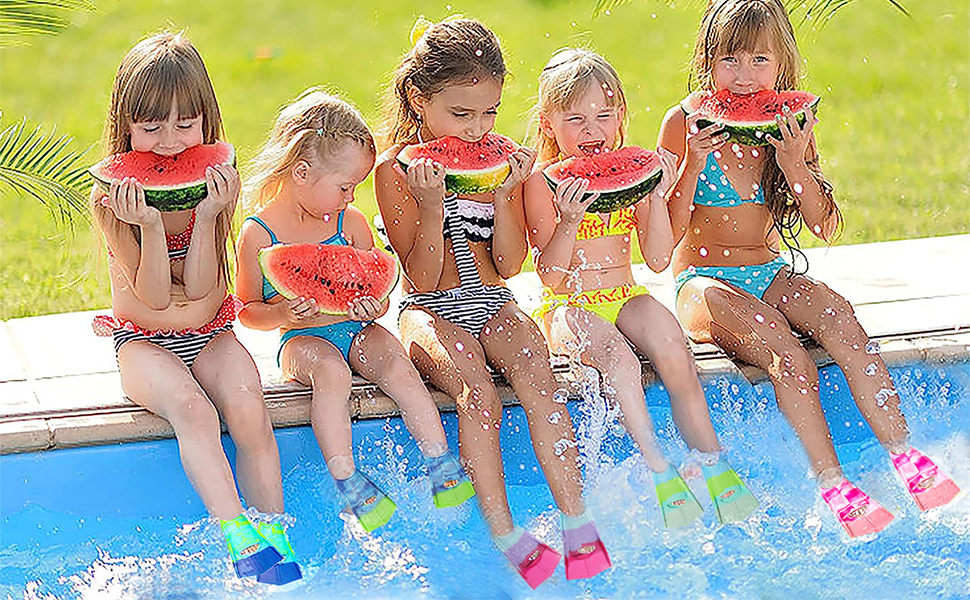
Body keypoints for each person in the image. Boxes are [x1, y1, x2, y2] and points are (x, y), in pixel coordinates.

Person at [658, 0, 960, 538]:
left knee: (841, 318)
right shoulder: (684, 123)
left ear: (783, 64)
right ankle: (833, 482)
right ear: (707, 61)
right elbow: (664, 234)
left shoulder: (790, 123)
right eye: (730, 60)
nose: (744, 76)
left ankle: (906, 454)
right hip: (702, 284)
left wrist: (796, 165)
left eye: (759, 60)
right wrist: (692, 164)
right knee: (784, 349)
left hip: (768, 272)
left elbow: (823, 225)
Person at [373, 17, 611, 588]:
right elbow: (423, 275)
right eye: (462, 114)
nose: (478, 128)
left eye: (489, 114)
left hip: (493, 298)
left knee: (539, 377)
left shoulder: (499, 162)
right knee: (477, 393)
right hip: (428, 309)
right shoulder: (394, 171)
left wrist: (506, 194)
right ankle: (507, 534)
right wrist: (432, 206)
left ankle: (578, 523)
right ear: (419, 99)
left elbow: (506, 264)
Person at [89, 32, 299, 583]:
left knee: (250, 407)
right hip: (141, 342)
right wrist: (152, 228)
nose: (169, 143)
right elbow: (154, 301)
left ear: (207, 122)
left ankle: (276, 535)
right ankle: (239, 539)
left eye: (186, 124)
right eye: (151, 125)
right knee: (193, 409)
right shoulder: (114, 200)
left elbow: (205, 293)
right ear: (125, 126)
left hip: (210, 330)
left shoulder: (212, 186)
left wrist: (207, 218)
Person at [524, 48, 759, 529]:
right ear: (548, 124)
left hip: (624, 295)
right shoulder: (541, 184)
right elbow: (549, 274)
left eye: (604, 115)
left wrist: (654, 198)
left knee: (674, 345)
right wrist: (568, 220)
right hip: (566, 305)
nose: (593, 130)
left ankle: (713, 462)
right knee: (619, 357)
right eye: (576, 119)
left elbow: (655, 258)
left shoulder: (635, 173)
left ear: (621, 115)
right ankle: (659, 467)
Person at [236, 89, 476, 534]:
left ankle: (440, 461)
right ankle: (347, 478)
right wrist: (285, 314)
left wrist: (374, 306)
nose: (351, 197)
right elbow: (247, 311)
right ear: (303, 173)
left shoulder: (352, 224)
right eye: (345, 186)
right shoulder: (258, 234)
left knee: (399, 366)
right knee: (332, 375)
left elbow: (380, 291)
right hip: (301, 340)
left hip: (355, 328)